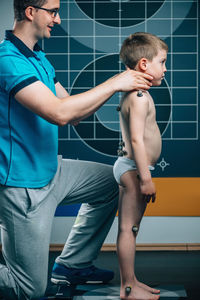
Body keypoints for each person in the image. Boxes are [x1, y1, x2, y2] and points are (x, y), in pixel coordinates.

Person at [0, 1, 154, 299]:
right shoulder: (7, 60)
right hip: (23, 186)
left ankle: (72, 265)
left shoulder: (39, 60)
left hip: (51, 171)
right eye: (53, 12)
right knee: (28, 289)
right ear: (30, 12)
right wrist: (115, 83)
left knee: (114, 183)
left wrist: (117, 86)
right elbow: (59, 114)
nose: (57, 20)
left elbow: (75, 113)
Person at [113, 32, 168, 300]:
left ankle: (131, 281)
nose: (165, 69)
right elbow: (136, 138)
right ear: (144, 64)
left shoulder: (138, 93)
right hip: (134, 169)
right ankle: (128, 289)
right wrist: (145, 178)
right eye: (162, 62)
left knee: (131, 230)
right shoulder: (138, 96)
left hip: (133, 167)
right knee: (128, 229)